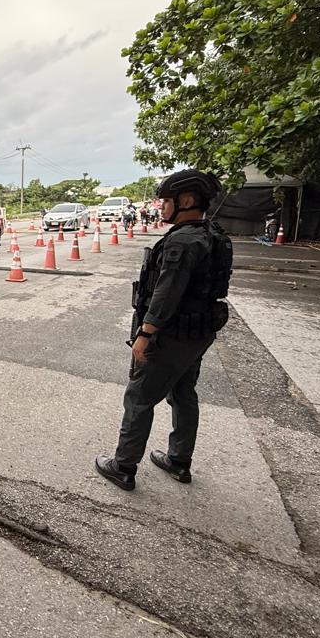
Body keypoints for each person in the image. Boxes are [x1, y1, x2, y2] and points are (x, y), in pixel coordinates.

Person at [95, 170, 232, 491]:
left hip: (169, 335)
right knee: (183, 392)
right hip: (198, 331)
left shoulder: (182, 242)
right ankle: (179, 460)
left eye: (166, 201)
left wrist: (145, 334)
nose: (161, 207)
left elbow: (166, 294)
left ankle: (124, 466)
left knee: (139, 398)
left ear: (186, 201)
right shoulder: (212, 235)